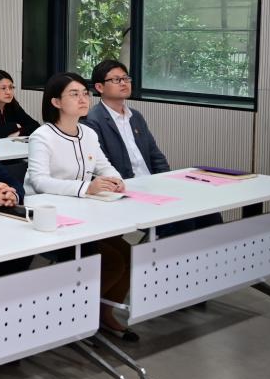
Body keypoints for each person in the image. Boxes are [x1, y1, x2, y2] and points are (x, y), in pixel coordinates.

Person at [27, 72, 134, 339]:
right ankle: (69, 315)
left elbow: (104, 165)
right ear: (56, 102)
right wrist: (86, 188)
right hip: (50, 219)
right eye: (74, 94)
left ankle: (102, 313)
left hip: (85, 213)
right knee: (111, 261)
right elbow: (39, 181)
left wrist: (116, 180)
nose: (83, 99)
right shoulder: (43, 136)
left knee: (128, 253)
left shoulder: (88, 133)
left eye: (85, 94)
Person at [85, 59, 220, 238]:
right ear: (99, 87)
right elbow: (102, 167)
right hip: (127, 190)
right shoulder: (92, 121)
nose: (124, 83)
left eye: (126, 78)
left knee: (208, 211)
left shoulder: (135, 116)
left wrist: (168, 183)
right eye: (116, 80)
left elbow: (156, 156)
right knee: (183, 221)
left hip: (153, 186)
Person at [0, 69, 39, 139]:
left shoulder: (12, 105)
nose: (8, 92)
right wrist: (15, 126)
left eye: (11, 87)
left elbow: (35, 125)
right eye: (3, 88)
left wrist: (19, 132)